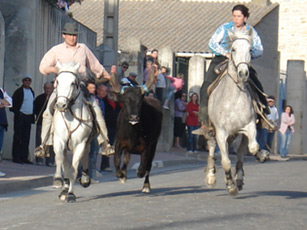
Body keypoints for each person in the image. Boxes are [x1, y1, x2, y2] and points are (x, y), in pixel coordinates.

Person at [36, 22, 114, 157]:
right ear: (64, 35)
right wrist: (55, 69)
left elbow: (96, 66)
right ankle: (44, 144)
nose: (73, 38)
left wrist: (109, 77)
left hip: (80, 87)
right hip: (61, 89)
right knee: (47, 112)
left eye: (75, 35)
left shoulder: (83, 48)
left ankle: (105, 142)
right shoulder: (56, 50)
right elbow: (42, 67)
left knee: (96, 110)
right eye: (70, 35)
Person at [196, 4, 265, 135]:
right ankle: (205, 123)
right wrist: (226, 53)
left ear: (245, 17)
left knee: (258, 86)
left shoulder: (251, 31)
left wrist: (248, 54)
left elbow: (259, 49)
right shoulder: (224, 28)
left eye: (239, 16)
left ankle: (262, 117)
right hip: (222, 59)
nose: (236, 19)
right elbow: (212, 43)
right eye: (234, 16)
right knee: (206, 87)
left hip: (242, 62)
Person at [10, 75, 35, 164]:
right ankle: (16, 157)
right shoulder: (19, 92)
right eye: (26, 80)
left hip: (28, 117)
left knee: (26, 138)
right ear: (23, 82)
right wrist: (18, 113)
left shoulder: (31, 91)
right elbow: (13, 104)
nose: (27, 82)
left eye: (29, 80)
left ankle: (24, 157)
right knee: (18, 137)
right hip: (21, 116)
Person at [100, 84, 121, 172]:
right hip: (105, 125)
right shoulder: (104, 101)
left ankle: (107, 164)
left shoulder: (117, 102)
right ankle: (103, 165)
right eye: (110, 92)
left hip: (114, 126)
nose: (112, 94)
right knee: (105, 145)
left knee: (111, 145)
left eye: (114, 93)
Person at [34, 81, 54, 166]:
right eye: (46, 88)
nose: (48, 90)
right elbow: (35, 109)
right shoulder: (39, 98)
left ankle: (50, 160)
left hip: (53, 125)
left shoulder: (55, 99)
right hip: (41, 123)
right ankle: (39, 159)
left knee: (51, 143)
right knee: (40, 141)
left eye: (49, 88)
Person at [0, 87, 12, 176]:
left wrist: (2, 102)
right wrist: (2, 101)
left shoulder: (1, 90)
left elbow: (10, 102)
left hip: (2, 122)